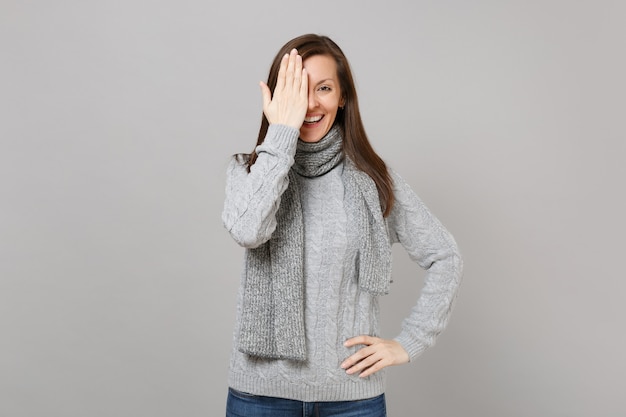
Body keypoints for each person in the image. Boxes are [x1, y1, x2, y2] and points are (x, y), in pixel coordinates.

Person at [221, 34, 463, 417]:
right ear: (280, 100)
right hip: (260, 400)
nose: (311, 104)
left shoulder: (375, 182)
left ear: (343, 96)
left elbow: (445, 256)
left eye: (324, 88)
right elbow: (249, 229)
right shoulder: (249, 173)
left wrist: (410, 341)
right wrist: (281, 133)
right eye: (298, 91)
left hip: (352, 401)